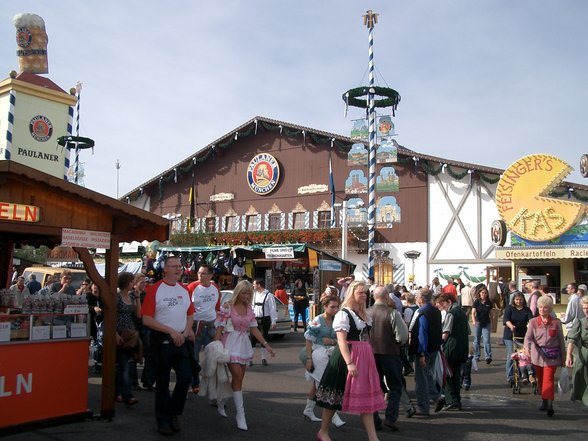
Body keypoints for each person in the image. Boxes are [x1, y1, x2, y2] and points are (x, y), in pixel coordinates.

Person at [315, 281, 385, 441]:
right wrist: (349, 362)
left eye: (366, 293)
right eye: (361, 292)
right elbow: (341, 341)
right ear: (352, 293)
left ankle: (373, 438)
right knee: (335, 395)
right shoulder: (343, 314)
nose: (364, 295)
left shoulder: (364, 314)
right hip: (347, 357)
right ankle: (323, 431)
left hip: (364, 356)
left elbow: (366, 337)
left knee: (366, 398)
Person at [141, 255, 195, 436]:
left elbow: (190, 314)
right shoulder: (154, 289)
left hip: (181, 341)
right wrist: (170, 331)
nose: (178, 269)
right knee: (162, 384)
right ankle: (163, 421)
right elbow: (146, 319)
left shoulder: (184, 290)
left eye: (180, 266)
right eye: (174, 266)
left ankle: (174, 412)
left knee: (186, 378)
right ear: (165, 269)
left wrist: (186, 332)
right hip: (162, 342)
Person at [214, 280, 275, 430]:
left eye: (249, 293)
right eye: (244, 292)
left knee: (238, 379)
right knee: (238, 376)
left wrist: (266, 345)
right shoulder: (228, 307)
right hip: (229, 344)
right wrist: (216, 347)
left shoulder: (249, 309)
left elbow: (254, 329)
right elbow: (219, 329)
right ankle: (241, 415)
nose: (247, 296)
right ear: (238, 292)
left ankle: (222, 400)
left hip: (243, 345)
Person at [367, 286, 409, 431]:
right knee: (395, 387)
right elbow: (402, 337)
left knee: (374, 387)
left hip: (371, 355)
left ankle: (374, 418)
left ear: (373, 297)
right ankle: (390, 418)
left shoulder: (366, 313)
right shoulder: (393, 313)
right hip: (390, 353)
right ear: (386, 297)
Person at [303, 293, 345, 427]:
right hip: (319, 354)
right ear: (325, 307)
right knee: (325, 383)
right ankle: (333, 416)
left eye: (337, 307)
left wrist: (332, 341)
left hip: (332, 354)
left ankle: (308, 410)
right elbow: (308, 340)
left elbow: (340, 339)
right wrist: (309, 359)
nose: (336, 310)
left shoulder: (337, 320)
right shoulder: (317, 320)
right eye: (332, 307)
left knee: (317, 385)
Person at [524, 295, 565, 417]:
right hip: (538, 356)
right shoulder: (533, 322)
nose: (542, 309)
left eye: (545, 307)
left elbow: (561, 341)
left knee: (548, 379)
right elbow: (528, 337)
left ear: (550, 309)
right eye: (540, 307)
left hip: (552, 356)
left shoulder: (556, 323)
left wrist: (564, 358)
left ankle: (550, 404)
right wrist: (526, 347)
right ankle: (544, 399)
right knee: (541, 379)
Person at [408, 288, 444, 415]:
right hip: (434, 348)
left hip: (424, 349)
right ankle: (436, 396)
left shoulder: (422, 312)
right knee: (428, 374)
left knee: (421, 378)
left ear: (422, 298)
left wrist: (422, 353)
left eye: (417, 296)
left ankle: (423, 407)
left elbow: (422, 333)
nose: (416, 298)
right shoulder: (436, 311)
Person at [187, 264, 221, 393]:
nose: (200, 275)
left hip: (210, 326)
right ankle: (194, 384)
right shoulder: (192, 287)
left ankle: (212, 385)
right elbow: (186, 308)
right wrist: (188, 328)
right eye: (199, 273)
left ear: (211, 275)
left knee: (213, 357)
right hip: (196, 326)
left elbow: (217, 308)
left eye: (203, 273)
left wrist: (219, 327)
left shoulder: (215, 288)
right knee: (194, 357)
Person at [438, 293, 469, 411]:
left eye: (444, 304)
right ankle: (457, 400)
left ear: (449, 302)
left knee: (447, 374)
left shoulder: (451, 313)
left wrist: (439, 343)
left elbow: (446, 332)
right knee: (456, 375)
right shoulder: (462, 312)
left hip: (451, 348)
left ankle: (451, 400)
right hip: (462, 347)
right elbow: (468, 330)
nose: (443, 307)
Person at [115, 272, 142, 406]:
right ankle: (127, 395)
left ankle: (118, 392)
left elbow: (138, 315)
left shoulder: (131, 296)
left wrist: (137, 298)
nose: (133, 284)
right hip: (120, 332)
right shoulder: (117, 297)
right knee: (124, 364)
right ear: (126, 282)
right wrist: (115, 334)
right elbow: (111, 316)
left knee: (124, 364)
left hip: (130, 332)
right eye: (132, 282)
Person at [503, 292, 534, 386]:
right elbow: (506, 319)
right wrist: (511, 326)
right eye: (517, 300)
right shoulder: (509, 308)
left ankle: (525, 373)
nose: (518, 301)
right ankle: (510, 376)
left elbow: (531, 321)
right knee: (511, 355)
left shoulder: (527, 310)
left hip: (523, 335)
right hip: (510, 334)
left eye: (520, 300)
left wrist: (531, 329)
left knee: (525, 355)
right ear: (514, 300)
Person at [565, 296, 588, 407]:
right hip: (584, 355)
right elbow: (572, 339)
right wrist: (568, 355)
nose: (586, 310)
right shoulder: (580, 322)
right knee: (582, 380)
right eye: (584, 308)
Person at [251, 278, 277, 366]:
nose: (253, 285)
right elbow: (251, 307)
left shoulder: (269, 295)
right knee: (253, 339)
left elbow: (272, 309)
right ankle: (251, 359)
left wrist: (274, 321)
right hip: (255, 319)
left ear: (259, 285)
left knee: (264, 338)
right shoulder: (254, 295)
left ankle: (264, 358)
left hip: (265, 319)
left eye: (254, 284)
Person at [472, 284, 493, 364]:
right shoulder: (476, 302)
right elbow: (473, 312)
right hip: (478, 322)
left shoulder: (488, 302)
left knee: (486, 340)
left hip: (486, 322)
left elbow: (490, 313)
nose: (483, 294)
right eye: (482, 293)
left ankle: (488, 357)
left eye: (485, 293)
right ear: (479, 293)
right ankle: (477, 355)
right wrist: (474, 321)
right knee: (476, 340)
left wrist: (493, 323)